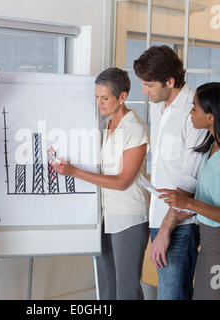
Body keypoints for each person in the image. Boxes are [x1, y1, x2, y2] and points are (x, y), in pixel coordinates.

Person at [52, 67, 150, 300]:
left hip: (128, 217)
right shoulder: (106, 125)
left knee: (127, 290)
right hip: (105, 216)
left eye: (105, 98)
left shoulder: (135, 128)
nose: (99, 103)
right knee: (106, 287)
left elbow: (123, 181)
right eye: (97, 97)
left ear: (122, 97)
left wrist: (74, 172)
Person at [159, 82, 220, 300]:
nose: (191, 112)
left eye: (194, 107)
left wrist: (190, 204)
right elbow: (215, 199)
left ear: (212, 116)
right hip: (209, 248)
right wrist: (189, 206)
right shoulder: (213, 149)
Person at [133, 45, 207, 300]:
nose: (144, 91)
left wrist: (165, 231)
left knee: (171, 296)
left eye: (149, 85)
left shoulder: (194, 111)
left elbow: (189, 179)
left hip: (180, 225)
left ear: (170, 81)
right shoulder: (159, 104)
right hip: (158, 216)